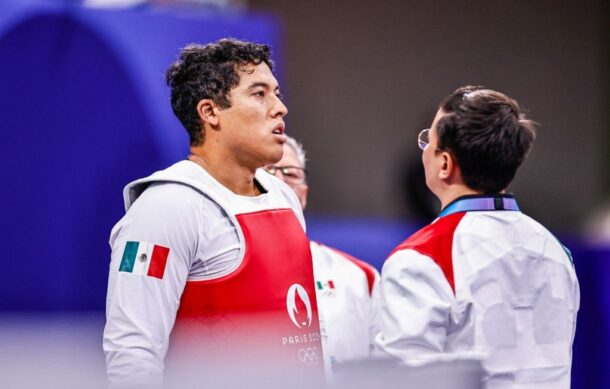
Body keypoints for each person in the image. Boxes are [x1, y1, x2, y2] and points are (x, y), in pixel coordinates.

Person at [103, 39, 324, 387]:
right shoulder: (164, 208)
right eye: (259, 94)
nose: (280, 108)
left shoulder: (284, 196)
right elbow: (132, 351)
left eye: (277, 93)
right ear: (210, 112)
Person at [376, 86, 580, 388]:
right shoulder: (556, 251)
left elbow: (404, 380)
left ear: (444, 164)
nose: (424, 150)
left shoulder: (422, 257)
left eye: (427, 141)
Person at [265, 136, 381, 368]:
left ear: (304, 195)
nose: (279, 180)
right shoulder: (215, 274)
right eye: (267, 171)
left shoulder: (361, 278)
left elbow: (386, 372)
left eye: (290, 173)